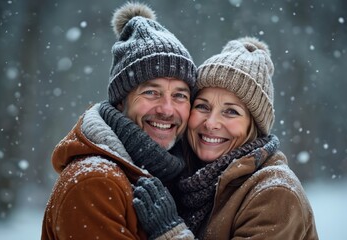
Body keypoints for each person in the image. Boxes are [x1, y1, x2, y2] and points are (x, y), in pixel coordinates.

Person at [133, 37, 319, 239]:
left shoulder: (275, 193)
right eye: (202, 106)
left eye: (231, 112)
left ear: (253, 125)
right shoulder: (183, 177)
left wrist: (170, 232)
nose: (211, 123)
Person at [41, 2, 197, 239]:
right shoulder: (95, 182)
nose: (167, 109)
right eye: (151, 92)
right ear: (120, 102)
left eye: (179, 95)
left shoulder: (173, 176)